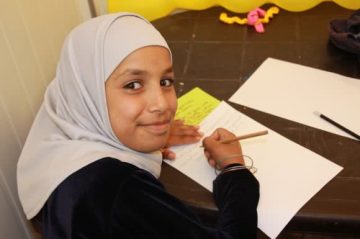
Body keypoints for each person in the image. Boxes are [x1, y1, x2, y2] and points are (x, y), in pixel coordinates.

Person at [17, 13, 259, 239]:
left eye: (166, 81)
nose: (162, 104)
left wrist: (145, 135)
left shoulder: (57, 150)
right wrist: (235, 171)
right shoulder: (118, 190)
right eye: (133, 85)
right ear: (87, 94)